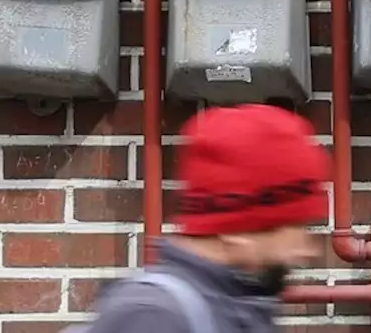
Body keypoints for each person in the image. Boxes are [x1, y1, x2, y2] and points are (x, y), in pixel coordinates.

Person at [76, 104, 332, 333]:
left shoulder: (239, 304)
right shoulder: (153, 318)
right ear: (238, 229)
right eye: (297, 225)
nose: (306, 249)